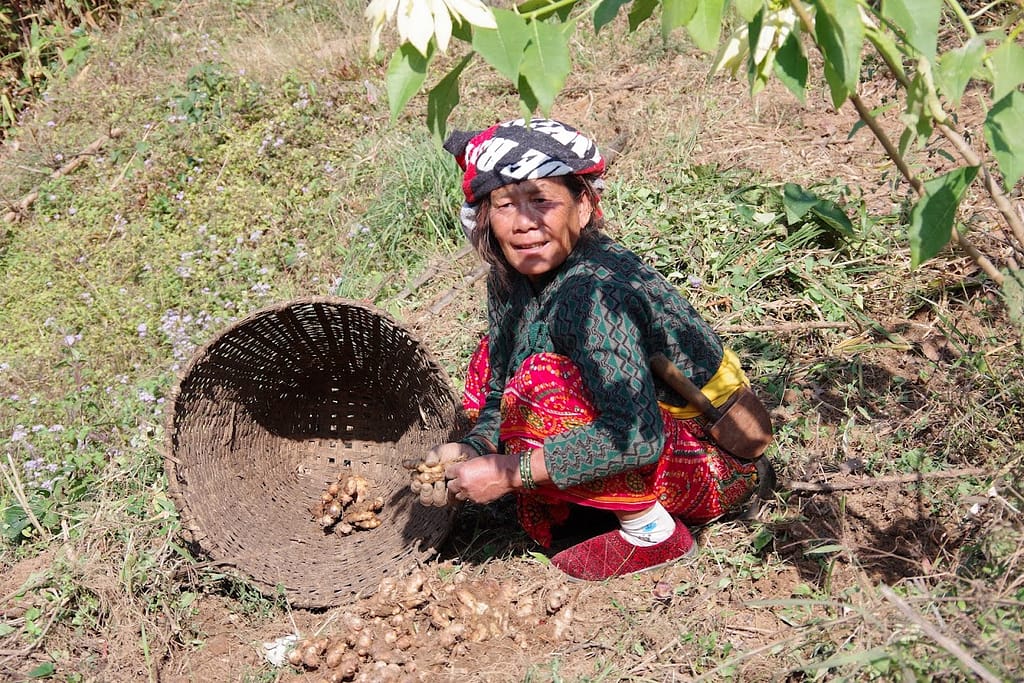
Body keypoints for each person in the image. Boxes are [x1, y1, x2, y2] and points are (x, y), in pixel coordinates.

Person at [412, 117, 772, 582]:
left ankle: (650, 532)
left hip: (709, 463)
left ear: (582, 207)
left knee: (540, 383)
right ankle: (603, 511)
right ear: (485, 217)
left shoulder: (594, 293)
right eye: (506, 204)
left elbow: (635, 436)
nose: (525, 223)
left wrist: (509, 472)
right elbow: (499, 388)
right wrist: (474, 445)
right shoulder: (509, 281)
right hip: (650, 442)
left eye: (542, 200)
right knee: (492, 360)